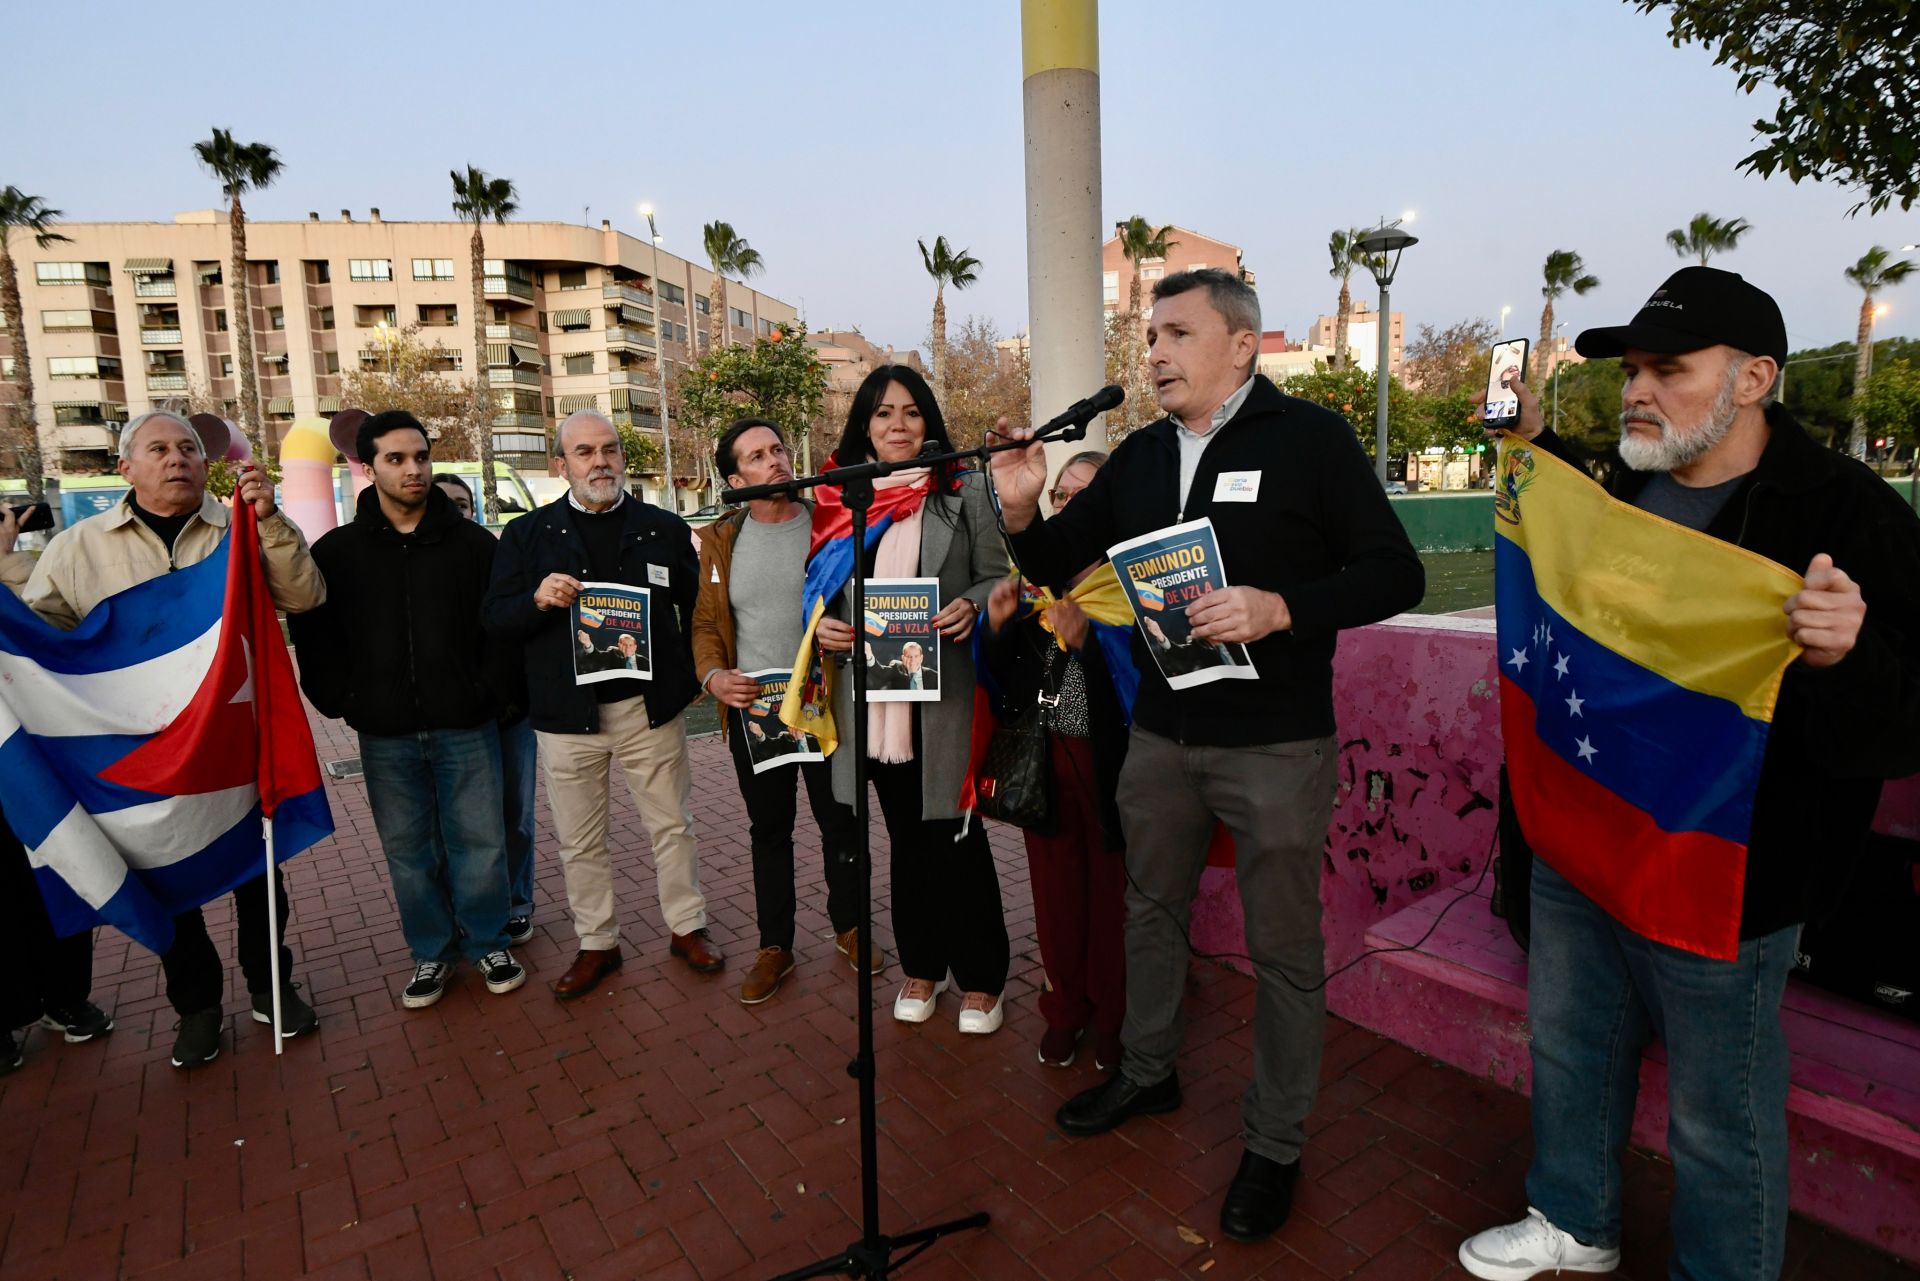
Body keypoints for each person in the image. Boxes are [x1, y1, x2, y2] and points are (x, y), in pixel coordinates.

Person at [1457, 268, 1920, 1281]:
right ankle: (1574, 1218)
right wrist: (1530, 454)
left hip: (1731, 870)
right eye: (1632, 372)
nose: (1639, 392)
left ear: (1754, 378)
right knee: (1573, 1054)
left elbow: (1905, 709)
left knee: (1721, 1115)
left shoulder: (1849, 511)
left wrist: (1850, 653)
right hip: (1583, 837)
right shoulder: (1615, 487)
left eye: (1669, 370)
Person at [990, 268, 1424, 1241]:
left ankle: (1274, 1143)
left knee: (1282, 947)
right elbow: (1059, 564)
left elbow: (1398, 570)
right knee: (1151, 912)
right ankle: (1147, 1075)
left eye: (1176, 334)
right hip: (1162, 736)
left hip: (1275, 743)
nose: (1154, 354)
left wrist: (1283, 608)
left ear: (1240, 345)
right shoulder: (1141, 455)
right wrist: (1020, 513)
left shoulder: (1311, 440)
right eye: (1150, 337)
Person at [22, 410, 328, 1069]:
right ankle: (197, 1006)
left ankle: (273, 986)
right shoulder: (79, 548)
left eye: (188, 447)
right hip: (144, 755)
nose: (177, 458)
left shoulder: (242, 526)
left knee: (258, 872)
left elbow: (303, 596)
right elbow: (41, 642)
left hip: (233, 739)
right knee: (166, 881)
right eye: (158, 448)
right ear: (126, 468)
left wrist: (271, 521)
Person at [289, 411, 525, 1010]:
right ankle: (431, 953)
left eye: (419, 456)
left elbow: (500, 631)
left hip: (467, 724)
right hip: (385, 731)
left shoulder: (474, 546)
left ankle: (489, 942)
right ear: (369, 469)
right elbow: (314, 633)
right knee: (408, 849)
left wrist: (486, 693)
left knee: (481, 841)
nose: (413, 469)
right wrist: (342, 700)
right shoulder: (337, 552)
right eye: (396, 459)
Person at [483, 409, 720, 997]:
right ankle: (598, 943)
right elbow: (495, 619)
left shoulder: (662, 527)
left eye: (610, 450)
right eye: (585, 453)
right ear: (561, 466)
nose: (601, 462)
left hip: (648, 710)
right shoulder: (526, 536)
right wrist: (536, 598)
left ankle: (686, 928)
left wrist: (695, 673)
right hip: (568, 717)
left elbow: (699, 610)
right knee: (579, 840)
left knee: (673, 826)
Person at [811, 365, 1010, 1033]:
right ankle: (922, 965)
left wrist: (972, 605)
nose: (898, 424)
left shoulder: (966, 489)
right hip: (872, 701)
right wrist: (825, 627)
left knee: (955, 835)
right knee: (902, 838)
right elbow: (818, 593)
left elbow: (997, 577)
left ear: (930, 422)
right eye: (883, 412)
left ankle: (982, 976)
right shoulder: (843, 499)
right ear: (863, 425)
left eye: (911, 412)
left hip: (945, 694)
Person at [693, 418, 869, 1005]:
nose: (774, 462)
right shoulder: (722, 538)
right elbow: (705, 623)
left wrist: (850, 631)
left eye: (778, 449)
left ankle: (850, 926)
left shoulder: (830, 522)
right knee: (769, 830)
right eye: (757, 456)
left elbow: (859, 598)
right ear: (734, 476)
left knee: (839, 821)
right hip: (755, 713)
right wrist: (714, 676)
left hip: (823, 702)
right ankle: (776, 947)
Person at [982, 450, 1129, 1070]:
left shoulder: (1130, 590)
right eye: (1060, 497)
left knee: (1115, 900)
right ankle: (1065, 1009)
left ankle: (1116, 1019)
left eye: (1082, 498)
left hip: (1113, 764)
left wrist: (1089, 642)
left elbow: (1148, 680)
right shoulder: (1033, 586)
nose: (1067, 507)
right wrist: (995, 627)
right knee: (1055, 898)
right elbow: (1000, 684)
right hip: (1044, 763)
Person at [1, 508, 115, 1073]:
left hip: (34, 750)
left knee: (59, 865)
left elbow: (46, 636)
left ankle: (65, 998)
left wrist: (6, 561)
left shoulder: (18, 566)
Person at [439, 473, 540, 945]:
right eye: (444, 503)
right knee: (463, 822)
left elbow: (520, 624)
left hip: (509, 710)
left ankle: (516, 901)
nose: (454, 511)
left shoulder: (499, 554)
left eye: (462, 503)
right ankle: (466, 909)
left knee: (514, 813)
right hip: (456, 716)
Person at [865, 639, 937, 691]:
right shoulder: (897, 668)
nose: (912, 660)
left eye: (916, 656)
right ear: (903, 658)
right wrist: (869, 655)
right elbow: (880, 672)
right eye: (909, 656)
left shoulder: (934, 675)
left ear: (921, 658)